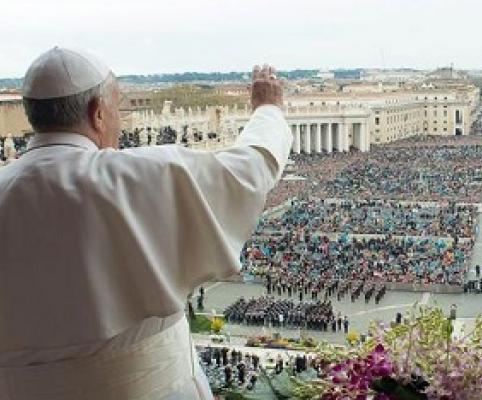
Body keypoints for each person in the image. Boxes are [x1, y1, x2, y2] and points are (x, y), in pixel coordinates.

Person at [0, 47, 291, 400]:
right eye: (117, 108)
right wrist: (268, 110)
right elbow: (250, 170)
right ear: (98, 114)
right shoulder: (138, 175)